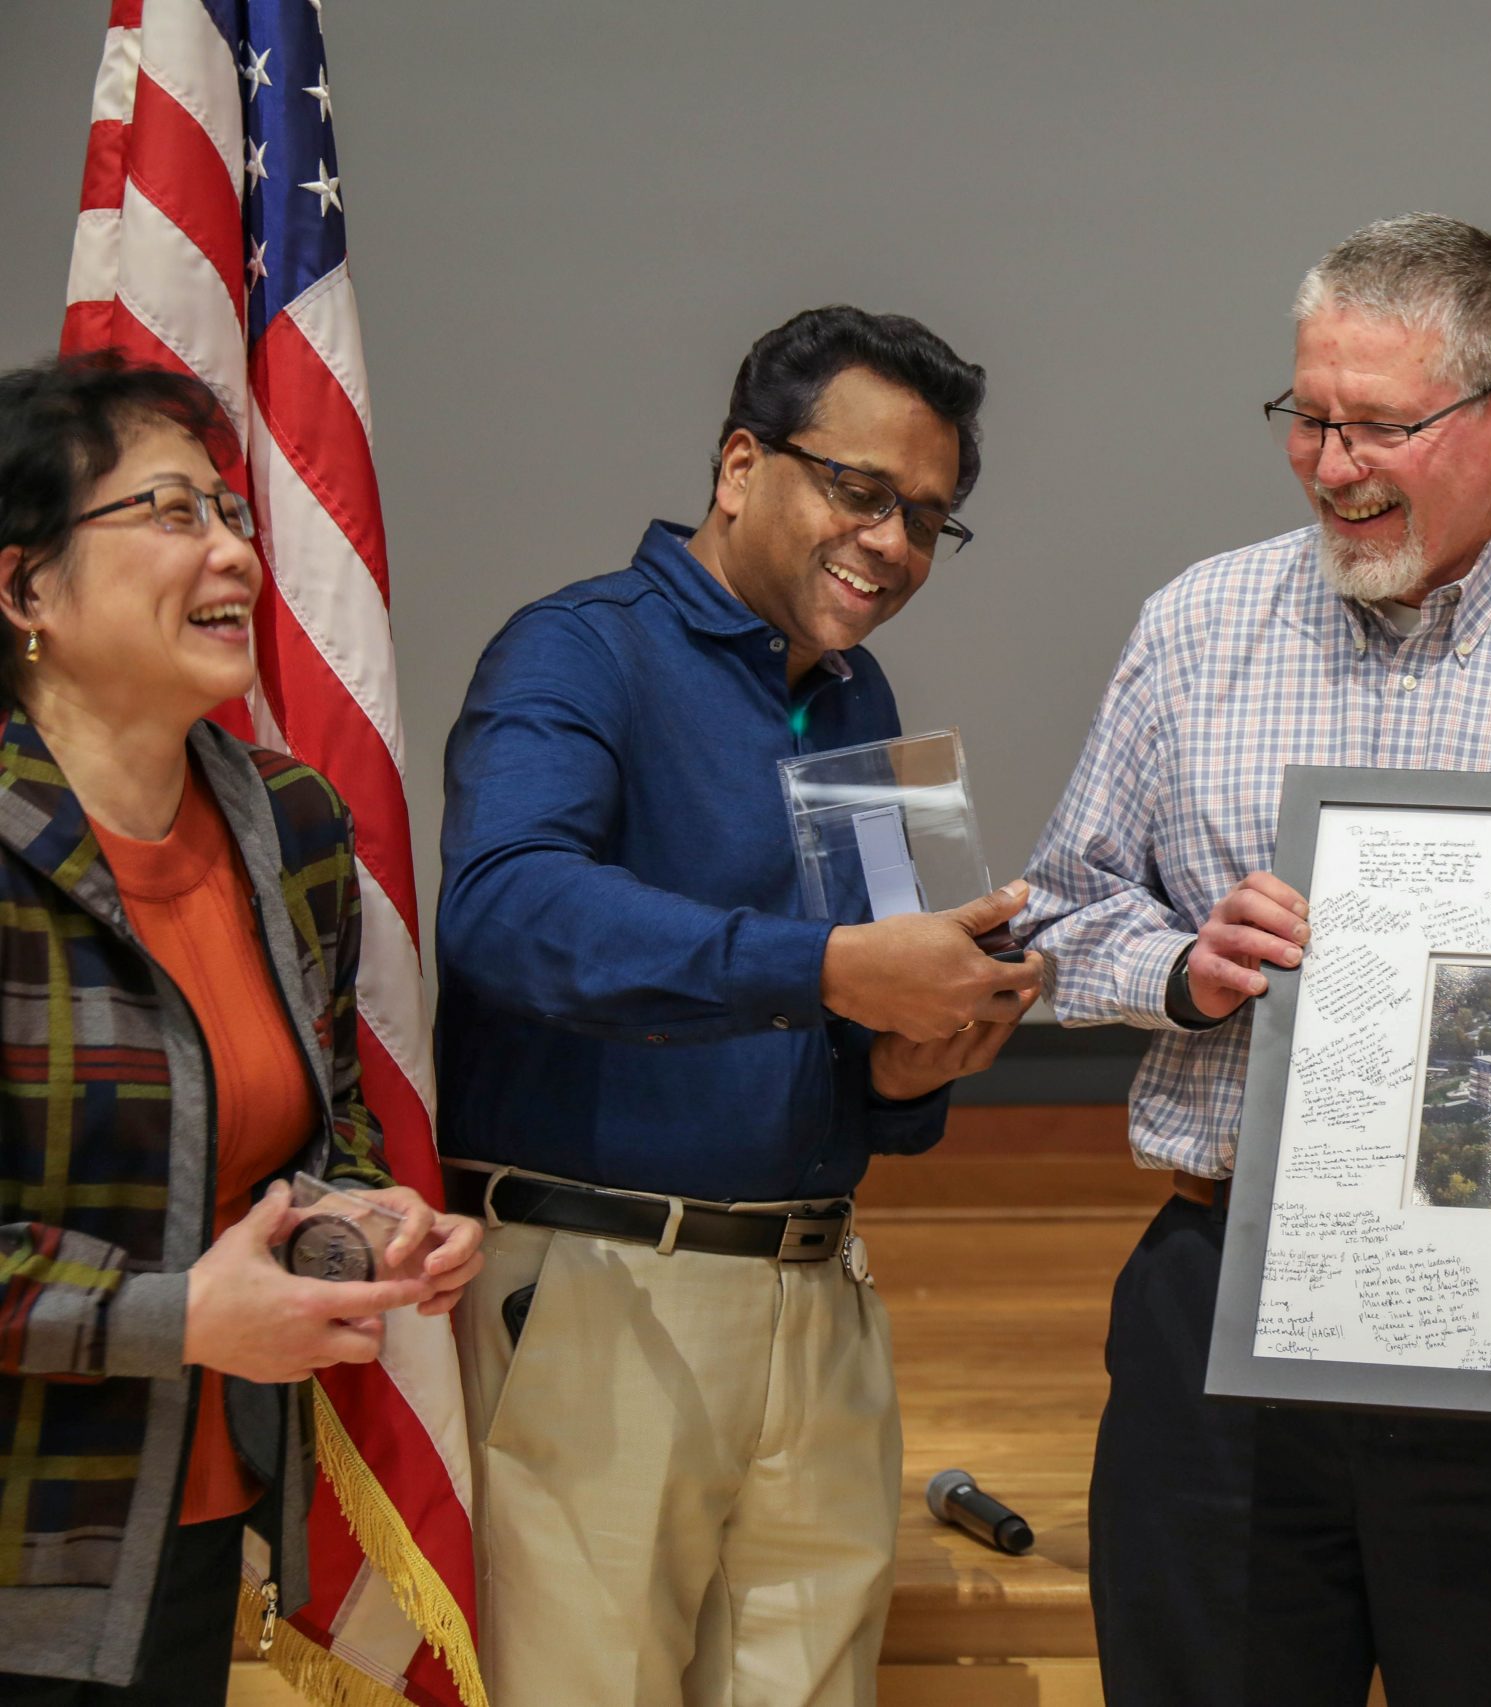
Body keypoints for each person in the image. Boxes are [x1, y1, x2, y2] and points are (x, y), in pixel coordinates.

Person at [1022, 213, 1491, 1707]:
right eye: (1307, 417)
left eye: (1379, 426)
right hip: (1224, 1312)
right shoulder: (1194, 630)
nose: (1332, 464)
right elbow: (1056, 918)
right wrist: (1183, 969)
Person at [436, 306, 1044, 1706]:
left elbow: (859, 1031)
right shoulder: (577, 649)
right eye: (861, 490)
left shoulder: (859, 698)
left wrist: (908, 1063)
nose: (892, 543)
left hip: (820, 1296)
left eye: (929, 518)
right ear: (739, 466)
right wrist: (827, 968)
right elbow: (506, 912)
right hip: (600, 1297)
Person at [0, 354, 480, 1701]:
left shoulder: (289, 820)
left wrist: (370, 1221)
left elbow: (322, 1117)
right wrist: (179, 1317)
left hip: (194, 1521)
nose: (233, 553)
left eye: (230, 511)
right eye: (170, 512)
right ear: (26, 589)